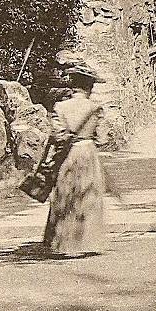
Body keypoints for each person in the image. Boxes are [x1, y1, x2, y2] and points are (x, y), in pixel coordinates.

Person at [43, 65, 108, 257]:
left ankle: (64, 243)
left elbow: (57, 135)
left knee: (66, 194)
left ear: (73, 85)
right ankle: (87, 242)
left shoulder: (60, 107)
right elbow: (103, 138)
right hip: (88, 153)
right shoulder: (95, 108)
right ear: (89, 87)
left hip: (69, 154)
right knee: (88, 196)